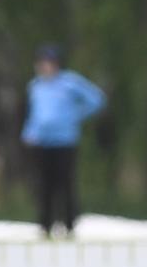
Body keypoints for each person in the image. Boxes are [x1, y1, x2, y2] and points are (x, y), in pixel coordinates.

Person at [20, 44, 105, 237]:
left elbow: (96, 100)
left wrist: (75, 116)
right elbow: (34, 114)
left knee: (65, 184)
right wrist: (28, 133)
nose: (45, 67)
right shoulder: (36, 86)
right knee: (44, 185)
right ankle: (45, 225)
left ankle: (69, 224)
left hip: (65, 141)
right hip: (42, 142)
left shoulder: (70, 83)